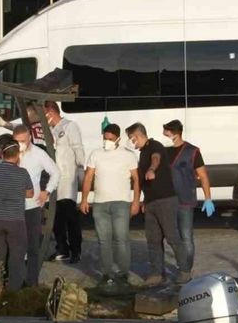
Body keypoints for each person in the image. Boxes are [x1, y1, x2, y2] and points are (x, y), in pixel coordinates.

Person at [126, 122, 191, 286]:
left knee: (172, 236)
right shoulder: (142, 153)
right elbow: (140, 181)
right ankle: (157, 273)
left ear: (138, 136)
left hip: (165, 199)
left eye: (131, 138)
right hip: (151, 202)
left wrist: (152, 169)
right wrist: (142, 200)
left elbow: (156, 158)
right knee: (153, 238)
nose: (131, 142)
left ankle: (184, 270)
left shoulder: (155, 146)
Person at [80, 123, 140, 287]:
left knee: (121, 239)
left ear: (118, 139)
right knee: (104, 241)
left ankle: (123, 273)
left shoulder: (129, 155)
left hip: (121, 203)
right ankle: (106, 274)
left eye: (111, 139)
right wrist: (85, 199)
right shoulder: (96, 154)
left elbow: (136, 179)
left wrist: (136, 201)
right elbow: (88, 178)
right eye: (105, 138)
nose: (107, 141)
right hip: (100, 204)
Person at [163, 119, 215, 270]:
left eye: (166, 132)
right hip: (167, 200)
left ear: (174, 133)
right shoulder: (164, 151)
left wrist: (208, 198)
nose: (163, 135)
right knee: (172, 237)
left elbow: (203, 175)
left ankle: (186, 270)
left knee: (186, 237)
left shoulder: (192, 151)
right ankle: (179, 266)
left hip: (185, 200)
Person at [14, 124, 59, 287]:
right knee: (16, 246)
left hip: (32, 206)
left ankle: (32, 282)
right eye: (17, 141)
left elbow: (55, 172)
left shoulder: (39, 154)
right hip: (13, 206)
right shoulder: (11, 153)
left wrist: (47, 191)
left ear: (30, 138)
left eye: (23, 141)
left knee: (33, 246)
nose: (21, 144)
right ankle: (15, 282)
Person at [0, 139, 34, 291]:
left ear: (2, 154)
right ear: (18, 155)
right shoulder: (22, 173)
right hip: (15, 220)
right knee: (16, 256)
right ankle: (14, 289)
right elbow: (30, 193)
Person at [44, 101, 86, 263]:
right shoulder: (49, 129)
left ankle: (76, 250)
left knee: (70, 216)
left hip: (68, 178)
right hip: (54, 178)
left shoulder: (69, 126)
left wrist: (81, 169)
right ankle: (62, 249)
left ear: (51, 112)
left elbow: (78, 148)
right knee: (56, 217)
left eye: (45, 113)